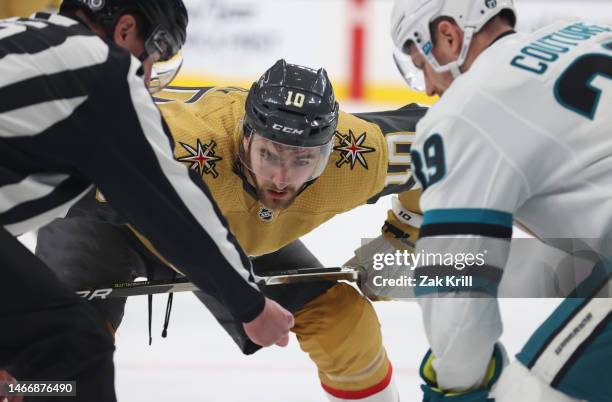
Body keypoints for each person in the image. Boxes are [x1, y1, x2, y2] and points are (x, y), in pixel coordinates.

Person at [35, 59, 430, 402]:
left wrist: (401, 239)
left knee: (345, 322)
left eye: (303, 160)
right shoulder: (179, 146)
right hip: (116, 220)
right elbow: (28, 167)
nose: (280, 178)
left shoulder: (357, 156)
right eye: (268, 153)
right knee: (55, 353)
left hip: (230, 235)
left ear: (331, 153)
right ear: (244, 138)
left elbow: (447, 143)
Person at [0, 1, 293, 401]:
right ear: (124, 30)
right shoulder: (98, 67)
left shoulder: (19, 38)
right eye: (153, 57)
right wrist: (249, 303)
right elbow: (170, 203)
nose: (149, 74)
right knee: (74, 349)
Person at [390, 0, 612, 401]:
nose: (427, 87)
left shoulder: (463, 113)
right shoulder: (581, 34)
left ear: (448, 35)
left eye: (421, 64)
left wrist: (456, 382)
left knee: (525, 394)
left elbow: (454, 293)